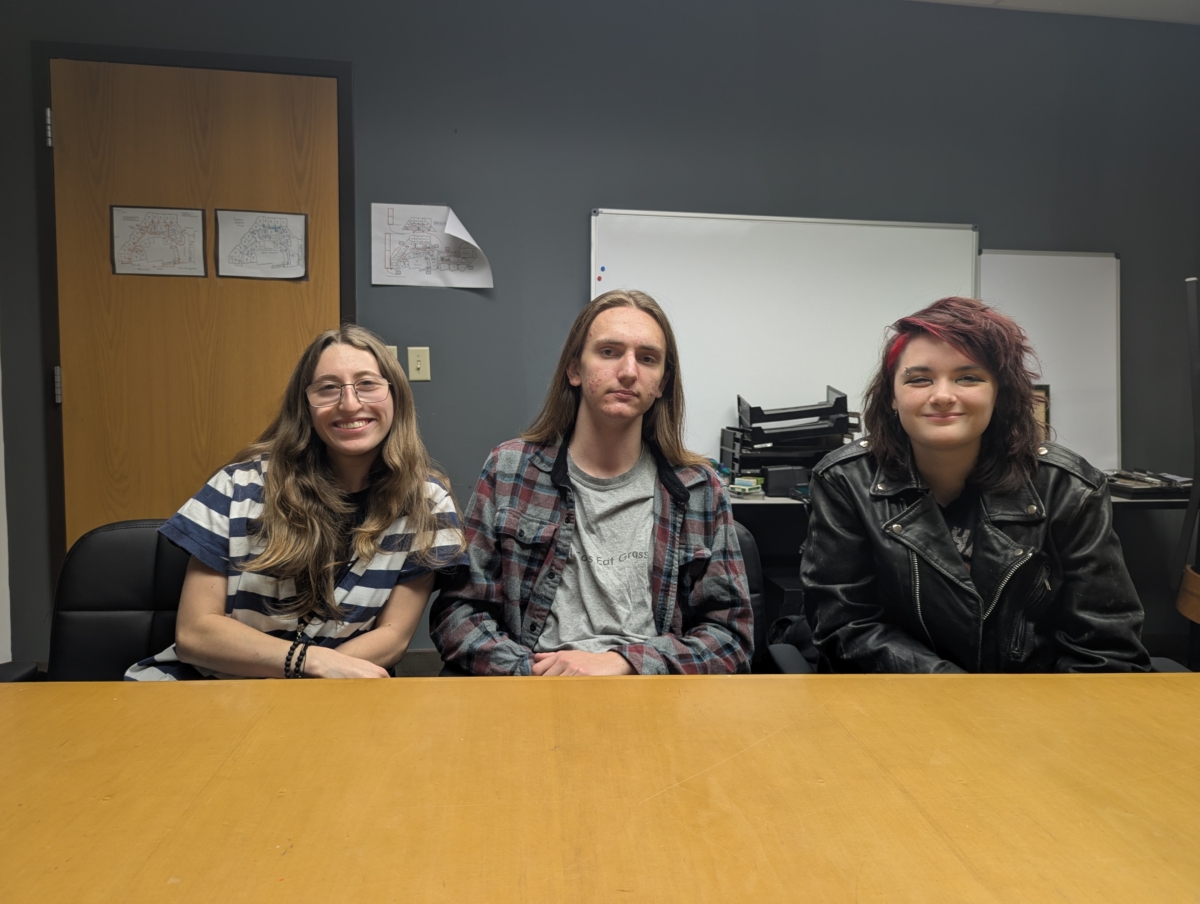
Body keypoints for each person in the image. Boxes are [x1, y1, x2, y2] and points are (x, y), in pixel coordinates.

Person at [802, 296, 1149, 673]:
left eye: (969, 377)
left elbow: (1105, 649)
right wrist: (959, 693)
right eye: (919, 379)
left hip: (1036, 709)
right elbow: (846, 627)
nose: (943, 396)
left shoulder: (1068, 487)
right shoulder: (845, 481)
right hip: (899, 704)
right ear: (891, 397)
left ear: (999, 393)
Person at [430, 289, 753, 675]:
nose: (629, 371)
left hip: (648, 693)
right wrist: (528, 671)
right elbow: (458, 613)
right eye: (609, 352)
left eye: (647, 358)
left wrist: (624, 662)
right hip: (533, 685)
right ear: (575, 370)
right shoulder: (509, 470)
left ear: (661, 383)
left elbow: (731, 636)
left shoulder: (700, 489)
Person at [126, 325, 466, 680]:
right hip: (212, 686)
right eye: (328, 388)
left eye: (367, 384)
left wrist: (302, 693)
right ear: (305, 405)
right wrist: (308, 662)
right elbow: (195, 634)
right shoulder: (237, 486)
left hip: (338, 694)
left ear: (396, 397)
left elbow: (392, 638)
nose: (349, 404)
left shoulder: (428, 505)